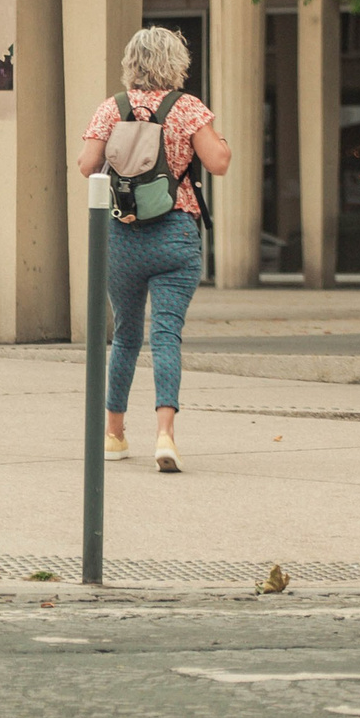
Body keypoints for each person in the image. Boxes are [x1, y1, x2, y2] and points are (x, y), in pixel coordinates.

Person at [75, 26, 230, 473]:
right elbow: (217, 163)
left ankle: (114, 433)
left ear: (131, 62)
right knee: (166, 335)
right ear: (175, 62)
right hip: (176, 234)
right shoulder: (187, 109)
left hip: (122, 236)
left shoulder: (113, 107)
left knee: (124, 336)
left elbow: (87, 166)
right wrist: (223, 144)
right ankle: (165, 434)